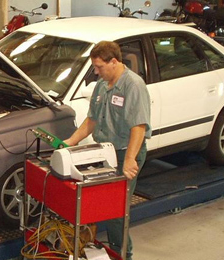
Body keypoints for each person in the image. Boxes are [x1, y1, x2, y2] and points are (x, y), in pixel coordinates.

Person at [64, 41, 151, 260]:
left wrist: (130, 160)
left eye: (99, 67)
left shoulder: (133, 85)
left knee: (116, 211)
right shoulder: (102, 85)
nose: (96, 71)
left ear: (114, 62)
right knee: (96, 204)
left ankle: (124, 255)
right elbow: (92, 120)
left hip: (125, 153)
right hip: (104, 152)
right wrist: (70, 142)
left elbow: (138, 127)